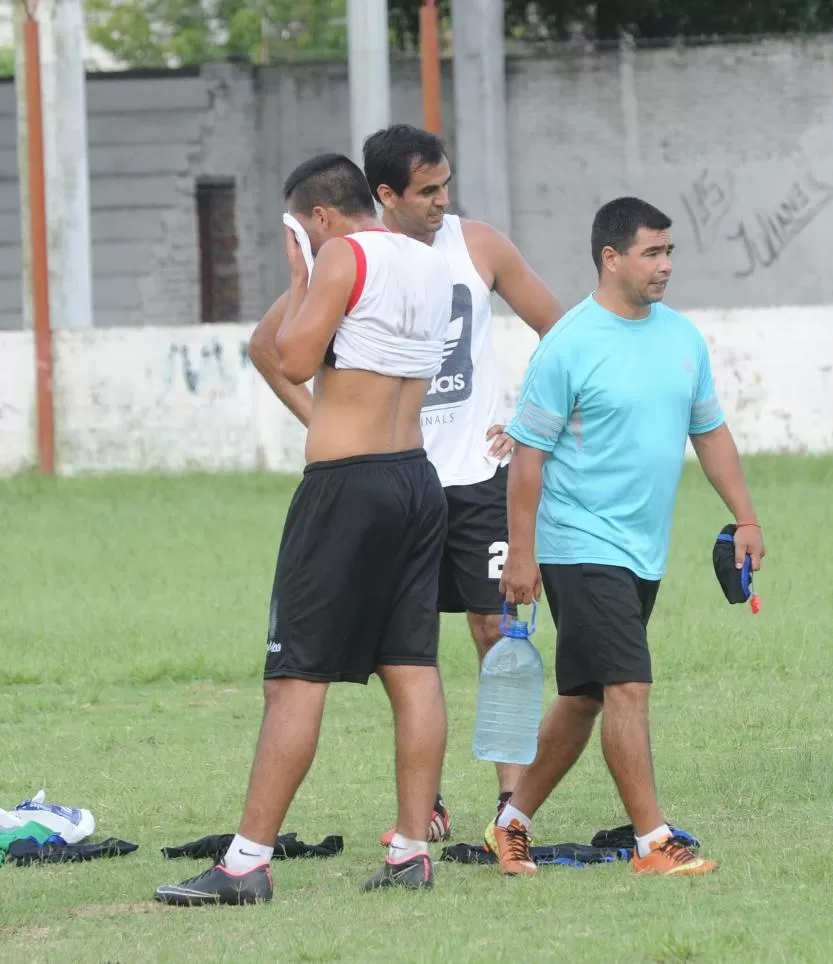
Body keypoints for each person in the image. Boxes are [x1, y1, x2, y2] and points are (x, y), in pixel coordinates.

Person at [249, 124, 564, 842]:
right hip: (406, 478)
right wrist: (323, 421)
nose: (441, 202)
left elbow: (563, 333)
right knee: (407, 655)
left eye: (445, 185)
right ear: (383, 194)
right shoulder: (356, 260)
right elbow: (271, 351)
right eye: (427, 190)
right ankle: (424, 814)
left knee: (494, 634)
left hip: (472, 480)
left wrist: (528, 422)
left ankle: (508, 810)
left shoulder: (473, 245)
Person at [155, 153, 454, 905]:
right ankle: (411, 851)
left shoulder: (342, 255)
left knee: (294, 678)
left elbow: (290, 355)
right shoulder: (425, 258)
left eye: (297, 229)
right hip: (416, 478)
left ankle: (245, 863)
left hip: (346, 490)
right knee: (412, 667)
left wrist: (301, 276)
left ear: (318, 217)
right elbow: (290, 355)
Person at [491, 196, 766, 878]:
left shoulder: (682, 338)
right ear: (610, 258)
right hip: (578, 543)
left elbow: (710, 431)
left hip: (642, 548)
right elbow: (527, 458)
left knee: (583, 696)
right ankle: (652, 842)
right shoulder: (570, 344)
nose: (665, 265)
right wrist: (521, 552)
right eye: (652, 252)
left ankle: (511, 823)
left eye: (669, 251)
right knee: (628, 684)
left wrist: (747, 517)